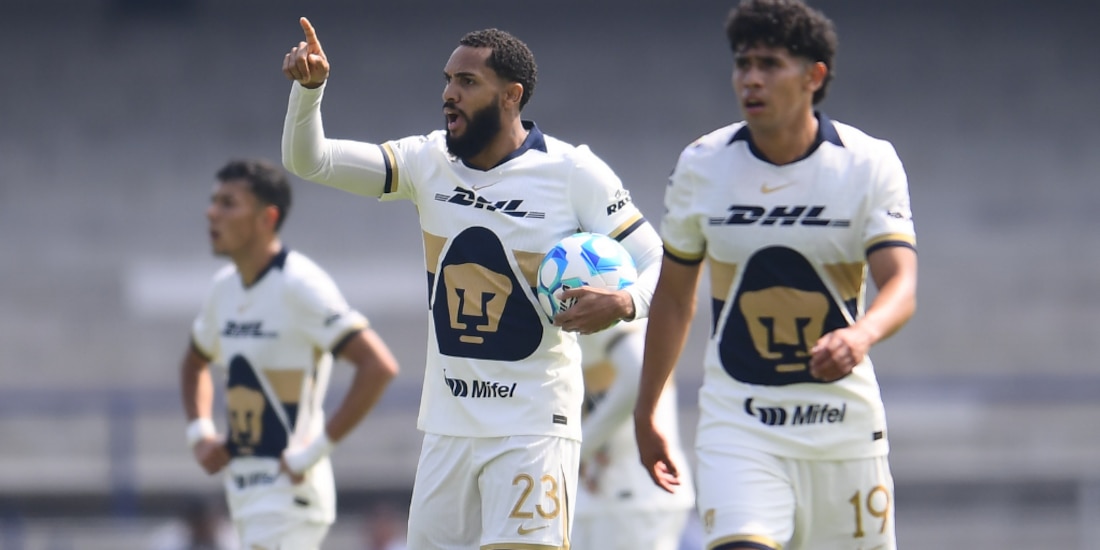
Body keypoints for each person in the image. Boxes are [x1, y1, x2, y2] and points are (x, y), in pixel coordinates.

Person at [280, 19, 664, 550]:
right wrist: (309, 91)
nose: (448, 94)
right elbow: (311, 160)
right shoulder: (426, 161)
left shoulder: (573, 172)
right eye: (447, 80)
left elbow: (658, 259)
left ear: (512, 96)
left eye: (466, 82)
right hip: (447, 429)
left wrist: (625, 301)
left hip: (533, 426)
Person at [633, 1, 919, 549]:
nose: (751, 79)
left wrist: (861, 335)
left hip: (843, 430)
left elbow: (901, 284)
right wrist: (647, 412)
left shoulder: (868, 163)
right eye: (743, 64)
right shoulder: (702, 165)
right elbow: (672, 299)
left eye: (769, 64)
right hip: (740, 424)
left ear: (814, 76)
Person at [179, 158, 400, 549]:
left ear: (268, 217)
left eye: (228, 203)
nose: (211, 212)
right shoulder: (223, 290)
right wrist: (200, 432)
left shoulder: (301, 284)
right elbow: (194, 363)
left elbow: (377, 366)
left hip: (288, 496)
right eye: (214, 200)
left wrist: (312, 452)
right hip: (246, 494)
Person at [572, 320, 694, 550]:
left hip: (626, 492)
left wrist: (581, 447)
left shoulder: (599, 291)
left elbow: (636, 376)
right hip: (626, 493)